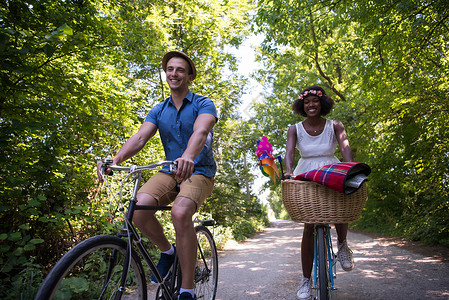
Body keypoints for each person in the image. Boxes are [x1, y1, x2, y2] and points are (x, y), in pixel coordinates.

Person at [97, 51, 217, 300]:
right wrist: (116, 159)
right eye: (170, 69)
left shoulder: (203, 103)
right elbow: (141, 137)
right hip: (169, 171)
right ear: (166, 74)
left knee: (180, 212)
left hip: (199, 171)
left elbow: (201, 131)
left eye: (180, 70)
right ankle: (168, 252)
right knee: (138, 208)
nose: (174, 74)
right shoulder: (159, 109)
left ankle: (187, 289)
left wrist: (187, 156)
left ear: (190, 76)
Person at [283, 86, 354, 300]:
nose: (311, 105)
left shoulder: (335, 125)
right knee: (308, 227)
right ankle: (306, 280)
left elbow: (345, 148)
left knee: (341, 207)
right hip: (306, 172)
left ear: (322, 104)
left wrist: (351, 167)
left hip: (331, 169)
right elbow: (289, 153)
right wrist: (288, 171)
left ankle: (342, 244)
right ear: (302, 106)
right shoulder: (295, 128)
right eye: (307, 102)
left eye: (315, 101)